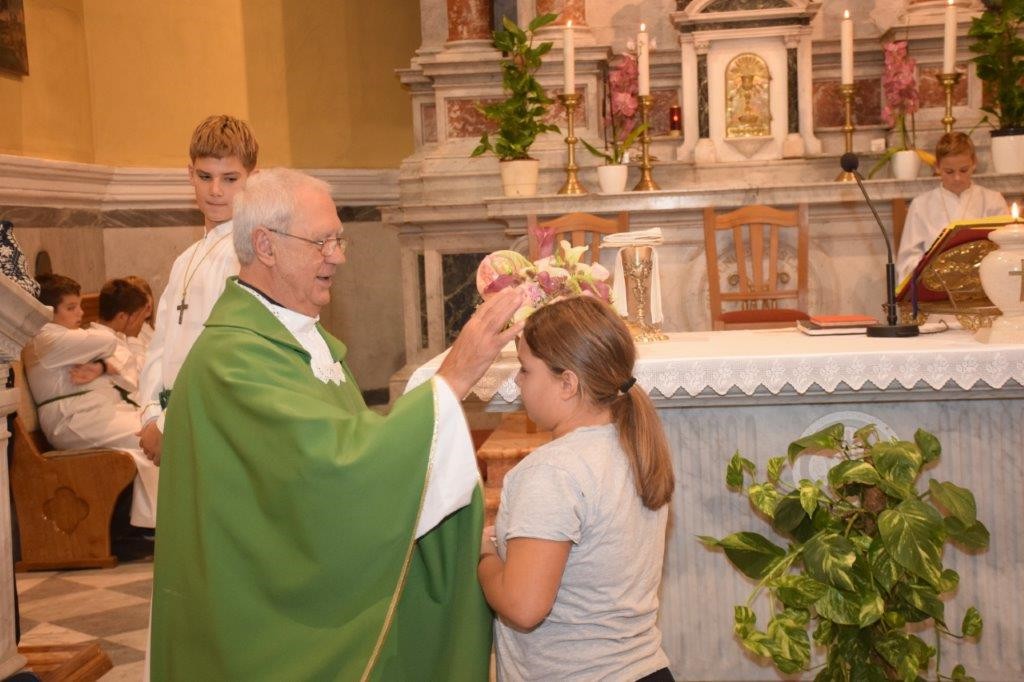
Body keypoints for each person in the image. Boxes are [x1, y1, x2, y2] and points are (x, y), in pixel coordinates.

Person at [150, 168, 524, 680]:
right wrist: (452, 378)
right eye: (322, 241)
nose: (338, 256)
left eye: (339, 240)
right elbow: (331, 471)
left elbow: (349, 449)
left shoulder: (301, 341)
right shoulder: (233, 360)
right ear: (266, 245)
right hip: (260, 631)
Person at [479, 296, 676, 682]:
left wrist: (484, 556)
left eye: (525, 369)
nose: (518, 381)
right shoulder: (634, 448)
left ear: (567, 383)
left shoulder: (552, 471)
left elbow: (523, 607)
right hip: (644, 669)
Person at [137, 114, 259, 464]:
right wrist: (150, 413)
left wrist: (167, 425)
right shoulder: (185, 259)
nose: (215, 190)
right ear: (190, 174)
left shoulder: (246, 254)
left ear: (253, 179)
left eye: (230, 178)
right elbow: (160, 343)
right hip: (174, 418)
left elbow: (223, 352)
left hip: (214, 421)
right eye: (205, 177)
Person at [23, 275, 159, 528]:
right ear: (48, 311)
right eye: (71, 307)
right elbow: (107, 340)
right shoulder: (45, 337)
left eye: (79, 306)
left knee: (157, 430)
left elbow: (121, 370)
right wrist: (103, 361)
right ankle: (150, 525)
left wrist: (101, 365)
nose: (81, 313)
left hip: (92, 413)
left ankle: (149, 522)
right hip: (73, 420)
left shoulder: (64, 336)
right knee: (152, 437)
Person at [895, 132, 1009, 282]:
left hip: (985, 283)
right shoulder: (920, 205)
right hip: (937, 284)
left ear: (974, 163)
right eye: (949, 171)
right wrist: (934, 272)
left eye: (963, 170)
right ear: (937, 167)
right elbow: (908, 259)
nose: (957, 178)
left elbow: (1006, 249)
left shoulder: (993, 200)